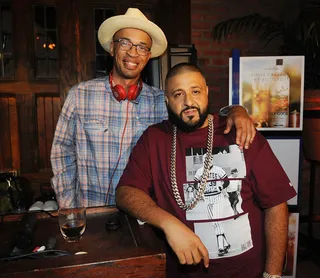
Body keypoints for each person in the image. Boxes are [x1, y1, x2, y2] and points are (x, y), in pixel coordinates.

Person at [50, 8, 256, 208]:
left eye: (142, 47)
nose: (133, 52)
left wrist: (235, 110)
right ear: (112, 48)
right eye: (125, 43)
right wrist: (69, 208)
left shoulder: (162, 101)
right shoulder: (80, 95)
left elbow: (197, 116)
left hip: (142, 215)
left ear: (148, 56)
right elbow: (62, 152)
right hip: (92, 212)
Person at [116, 63, 296, 277]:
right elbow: (126, 192)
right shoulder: (154, 139)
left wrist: (273, 274)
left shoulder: (238, 132)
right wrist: (168, 223)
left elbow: (276, 204)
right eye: (178, 94)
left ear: (207, 92)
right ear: (167, 100)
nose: (188, 102)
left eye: (195, 91)